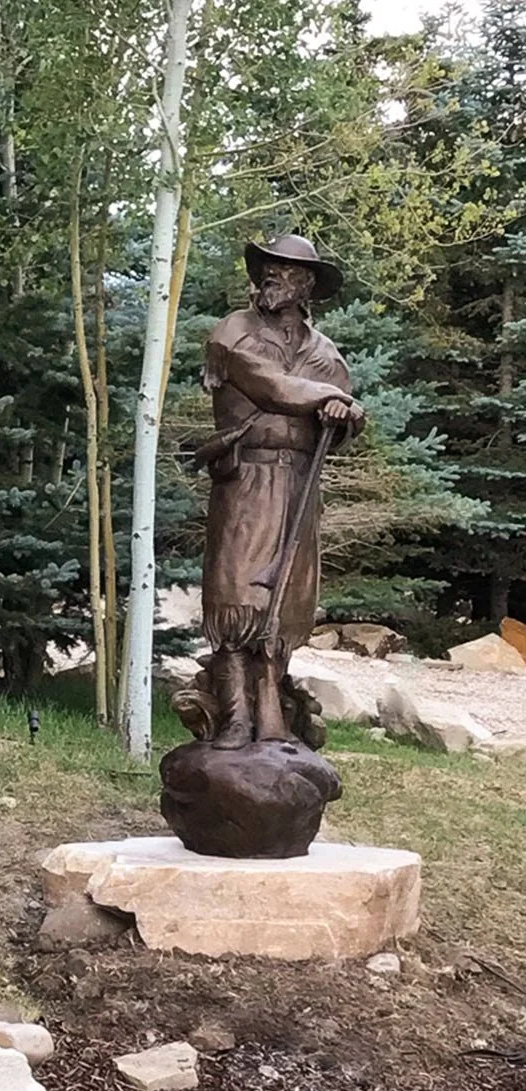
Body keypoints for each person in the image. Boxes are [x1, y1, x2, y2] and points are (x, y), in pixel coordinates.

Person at [193, 233, 365, 749]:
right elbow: (272, 387)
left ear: (307, 285)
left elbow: (341, 426)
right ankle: (235, 716)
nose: (273, 276)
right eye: (268, 267)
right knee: (236, 593)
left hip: (298, 484)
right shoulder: (233, 333)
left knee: (285, 597)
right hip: (247, 479)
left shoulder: (325, 353)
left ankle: (272, 712)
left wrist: (342, 416)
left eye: (287, 271)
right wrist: (335, 397)